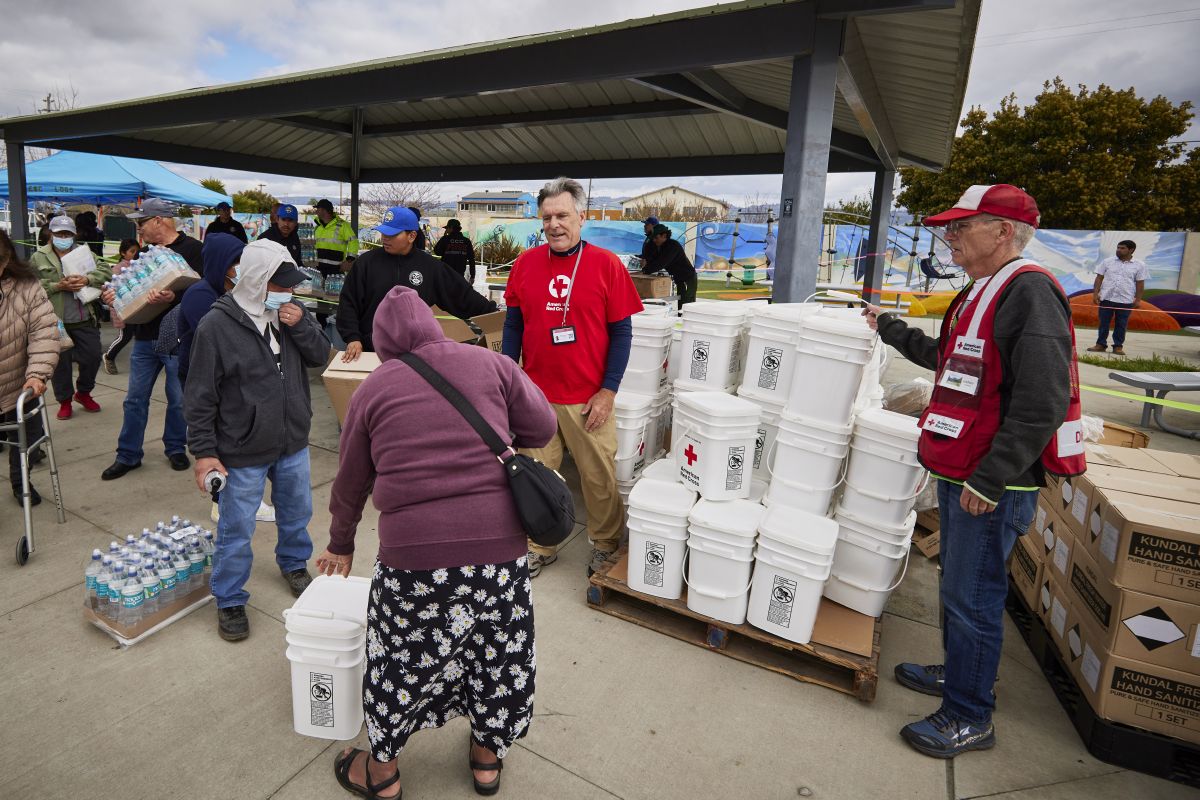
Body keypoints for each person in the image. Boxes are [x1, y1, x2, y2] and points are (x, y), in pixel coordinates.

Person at [862, 184, 1084, 759]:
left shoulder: (1029, 294)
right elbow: (951, 359)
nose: (949, 236)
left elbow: (1043, 400)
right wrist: (888, 327)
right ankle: (962, 672)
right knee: (958, 588)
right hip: (967, 469)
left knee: (974, 596)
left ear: (1003, 232)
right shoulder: (983, 290)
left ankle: (969, 714)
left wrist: (990, 480)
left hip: (991, 482)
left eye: (962, 227)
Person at [317, 286, 557, 799]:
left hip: (413, 560)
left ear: (382, 343)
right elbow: (542, 426)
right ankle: (486, 762)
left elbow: (350, 480)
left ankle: (382, 775)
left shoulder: (372, 390)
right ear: (432, 324)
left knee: (399, 661)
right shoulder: (489, 364)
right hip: (500, 552)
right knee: (499, 656)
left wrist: (341, 544)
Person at [185, 240, 329, 641]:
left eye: (291, 284)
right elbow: (199, 396)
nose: (289, 292)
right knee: (237, 527)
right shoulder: (217, 326)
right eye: (280, 285)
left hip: (292, 440)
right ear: (255, 282)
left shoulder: (291, 315)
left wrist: (300, 324)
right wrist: (205, 453)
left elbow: (321, 356)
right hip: (242, 449)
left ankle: (294, 563)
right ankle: (229, 598)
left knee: (297, 512)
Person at [501, 176, 643, 578]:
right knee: (538, 476)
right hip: (535, 395)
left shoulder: (607, 265)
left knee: (598, 478)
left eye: (562, 215)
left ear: (581, 217)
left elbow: (622, 332)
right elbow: (513, 325)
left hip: (587, 397)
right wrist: (510, 375)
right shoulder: (526, 265)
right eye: (547, 217)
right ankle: (540, 544)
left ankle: (604, 543)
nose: (554, 224)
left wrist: (608, 391)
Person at [99, 197, 199, 481]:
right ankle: (128, 455)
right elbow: (127, 289)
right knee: (134, 399)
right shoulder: (146, 253)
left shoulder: (192, 250)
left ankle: (175, 448)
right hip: (143, 338)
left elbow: (205, 291)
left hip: (177, 339)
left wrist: (174, 296)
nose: (138, 230)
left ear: (159, 220)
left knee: (178, 399)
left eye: (141, 223)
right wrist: (112, 295)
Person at [336, 206, 497, 360]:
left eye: (392, 234)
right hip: (370, 351)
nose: (385, 238)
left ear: (411, 236)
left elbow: (462, 295)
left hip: (415, 356)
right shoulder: (366, 263)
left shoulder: (430, 267)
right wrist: (352, 337)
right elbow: (348, 302)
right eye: (383, 233)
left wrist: (494, 314)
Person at [32, 215, 112, 420]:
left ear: (74, 235)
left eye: (68, 234)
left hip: (84, 316)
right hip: (55, 321)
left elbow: (106, 272)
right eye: (60, 233)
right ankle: (64, 401)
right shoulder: (39, 257)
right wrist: (58, 286)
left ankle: (83, 393)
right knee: (61, 364)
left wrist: (87, 279)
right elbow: (30, 287)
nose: (64, 237)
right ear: (51, 233)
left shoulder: (84, 253)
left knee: (92, 357)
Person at [0, 229, 59, 506]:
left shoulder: (27, 286)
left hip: (17, 381)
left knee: (28, 438)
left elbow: (44, 332)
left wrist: (37, 374)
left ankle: (20, 482)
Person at [177, 233, 244, 384]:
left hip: (226, 374)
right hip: (201, 377)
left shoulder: (236, 289)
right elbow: (220, 341)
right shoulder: (199, 295)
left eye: (243, 259)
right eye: (235, 261)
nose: (242, 266)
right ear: (220, 265)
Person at [1089, 239, 1147, 355]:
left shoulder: (1140, 265)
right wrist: (1095, 294)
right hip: (1106, 298)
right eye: (1118, 248)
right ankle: (1100, 344)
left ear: (1131, 250)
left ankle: (1118, 346)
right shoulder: (1107, 262)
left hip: (1125, 300)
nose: (1119, 250)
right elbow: (1099, 278)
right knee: (1103, 323)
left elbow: (1140, 283)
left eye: (1122, 248)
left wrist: (1138, 299)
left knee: (1121, 324)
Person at [103, 239, 142, 375]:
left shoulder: (138, 265)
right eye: (132, 251)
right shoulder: (118, 269)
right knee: (125, 335)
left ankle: (139, 360)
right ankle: (109, 356)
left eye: (137, 251)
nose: (135, 254)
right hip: (122, 308)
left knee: (138, 334)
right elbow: (112, 289)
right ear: (123, 253)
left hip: (136, 307)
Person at [641, 223, 697, 305]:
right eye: (653, 238)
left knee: (687, 304)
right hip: (679, 279)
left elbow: (661, 263)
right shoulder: (660, 246)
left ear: (664, 235)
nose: (654, 240)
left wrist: (646, 270)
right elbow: (653, 259)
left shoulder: (673, 246)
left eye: (656, 238)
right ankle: (680, 315)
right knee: (681, 302)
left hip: (688, 278)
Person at [312, 198, 358, 277]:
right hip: (318, 268)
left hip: (336, 270)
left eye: (318, 209)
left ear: (324, 210)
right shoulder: (317, 226)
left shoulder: (343, 225)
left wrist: (349, 260)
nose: (316, 211)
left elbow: (353, 241)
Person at [433, 218, 478, 284]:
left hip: (446, 276)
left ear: (451, 228)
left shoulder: (445, 239)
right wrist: (472, 276)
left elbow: (437, 252)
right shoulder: (466, 241)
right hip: (459, 276)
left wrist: (444, 237)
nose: (446, 230)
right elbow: (471, 259)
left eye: (447, 228)